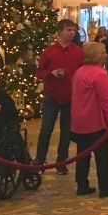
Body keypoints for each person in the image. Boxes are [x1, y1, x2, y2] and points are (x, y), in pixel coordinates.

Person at [70, 42, 108, 197]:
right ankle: (105, 187)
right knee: (102, 156)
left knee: (83, 154)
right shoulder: (99, 74)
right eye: (103, 52)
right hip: (96, 122)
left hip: (79, 121)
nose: (106, 54)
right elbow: (107, 101)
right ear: (96, 55)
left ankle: (82, 184)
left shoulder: (79, 71)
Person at [33, 19, 82, 175]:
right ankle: (39, 160)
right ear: (60, 32)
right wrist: (51, 73)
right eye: (69, 30)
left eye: (73, 30)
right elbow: (39, 73)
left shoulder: (78, 51)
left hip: (70, 96)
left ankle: (62, 162)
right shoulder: (49, 52)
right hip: (52, 96)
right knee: (46, 129)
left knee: (66, 132)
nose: (72, 33)